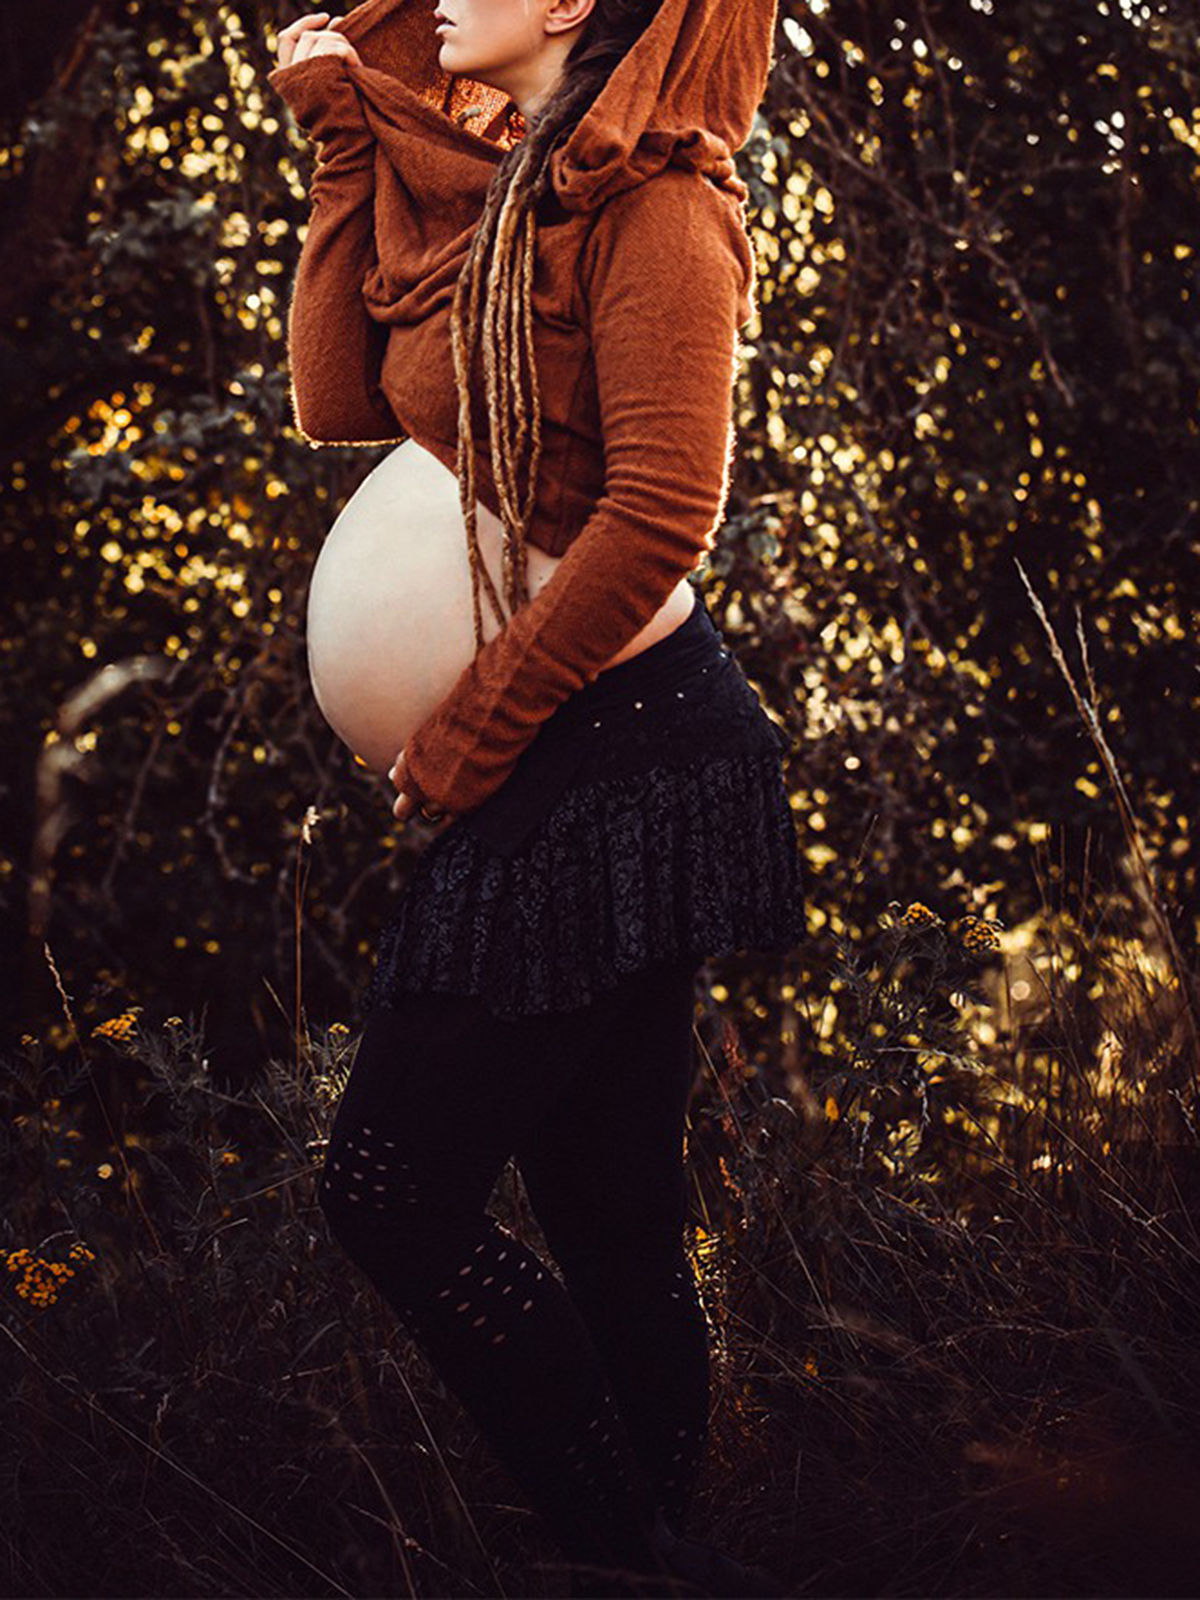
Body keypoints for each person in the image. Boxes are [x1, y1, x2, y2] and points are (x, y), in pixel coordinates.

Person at [268, 1, 801, 1592]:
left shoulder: (661, 206)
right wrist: (342, 149)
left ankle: (622, 1551)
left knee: (389, 1187)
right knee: (610, 1203)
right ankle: (660, 1537)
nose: (429, 0)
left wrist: (465, 738)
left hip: (624, 753)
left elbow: (662, 512)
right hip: (564, 748)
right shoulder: (507, 190)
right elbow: (339, 398)